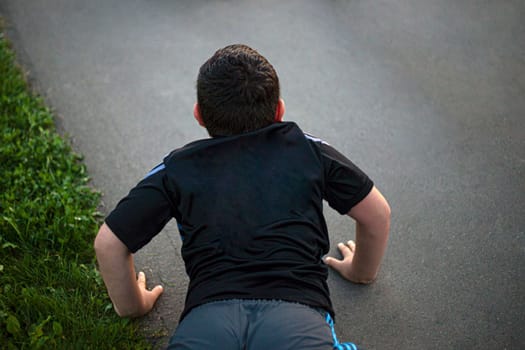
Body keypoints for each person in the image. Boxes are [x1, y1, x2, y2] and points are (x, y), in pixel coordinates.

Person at [94, 44, 391, 350]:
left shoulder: (178, 168)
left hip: (208, 319)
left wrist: (133, 305)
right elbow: (376, 214)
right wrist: (360, 272)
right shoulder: (308, 150)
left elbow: (109, 244)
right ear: (279, 110)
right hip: (297, 315)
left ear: (199, 115)